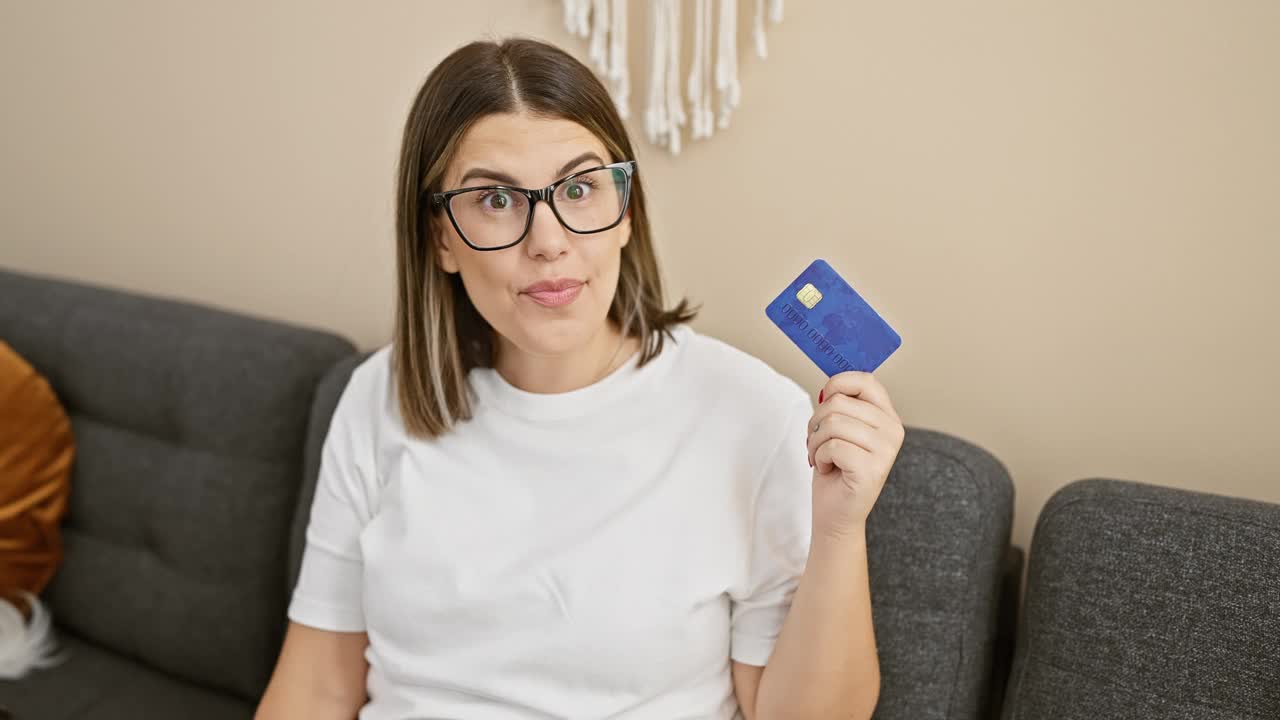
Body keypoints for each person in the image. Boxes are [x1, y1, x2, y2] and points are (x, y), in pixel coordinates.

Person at [256, 36, 901, 720]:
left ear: (625, 211)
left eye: (580, 188)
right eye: (496, 200)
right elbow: (317, 689)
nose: (549, 241)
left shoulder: (753, 414)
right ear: (441, 236)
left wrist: (836, 531)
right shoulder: (379, 396)